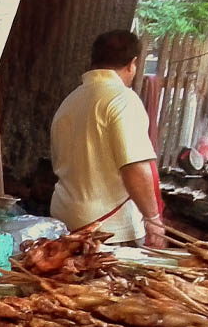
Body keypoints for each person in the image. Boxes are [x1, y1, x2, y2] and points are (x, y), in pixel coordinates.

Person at [49, 30, 165, 247]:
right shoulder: (123, 100)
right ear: (133, 64)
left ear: (92, 61)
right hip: (107, 230)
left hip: (65, 219)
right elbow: (135, 168)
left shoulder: (70, 101)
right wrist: (153, 219)